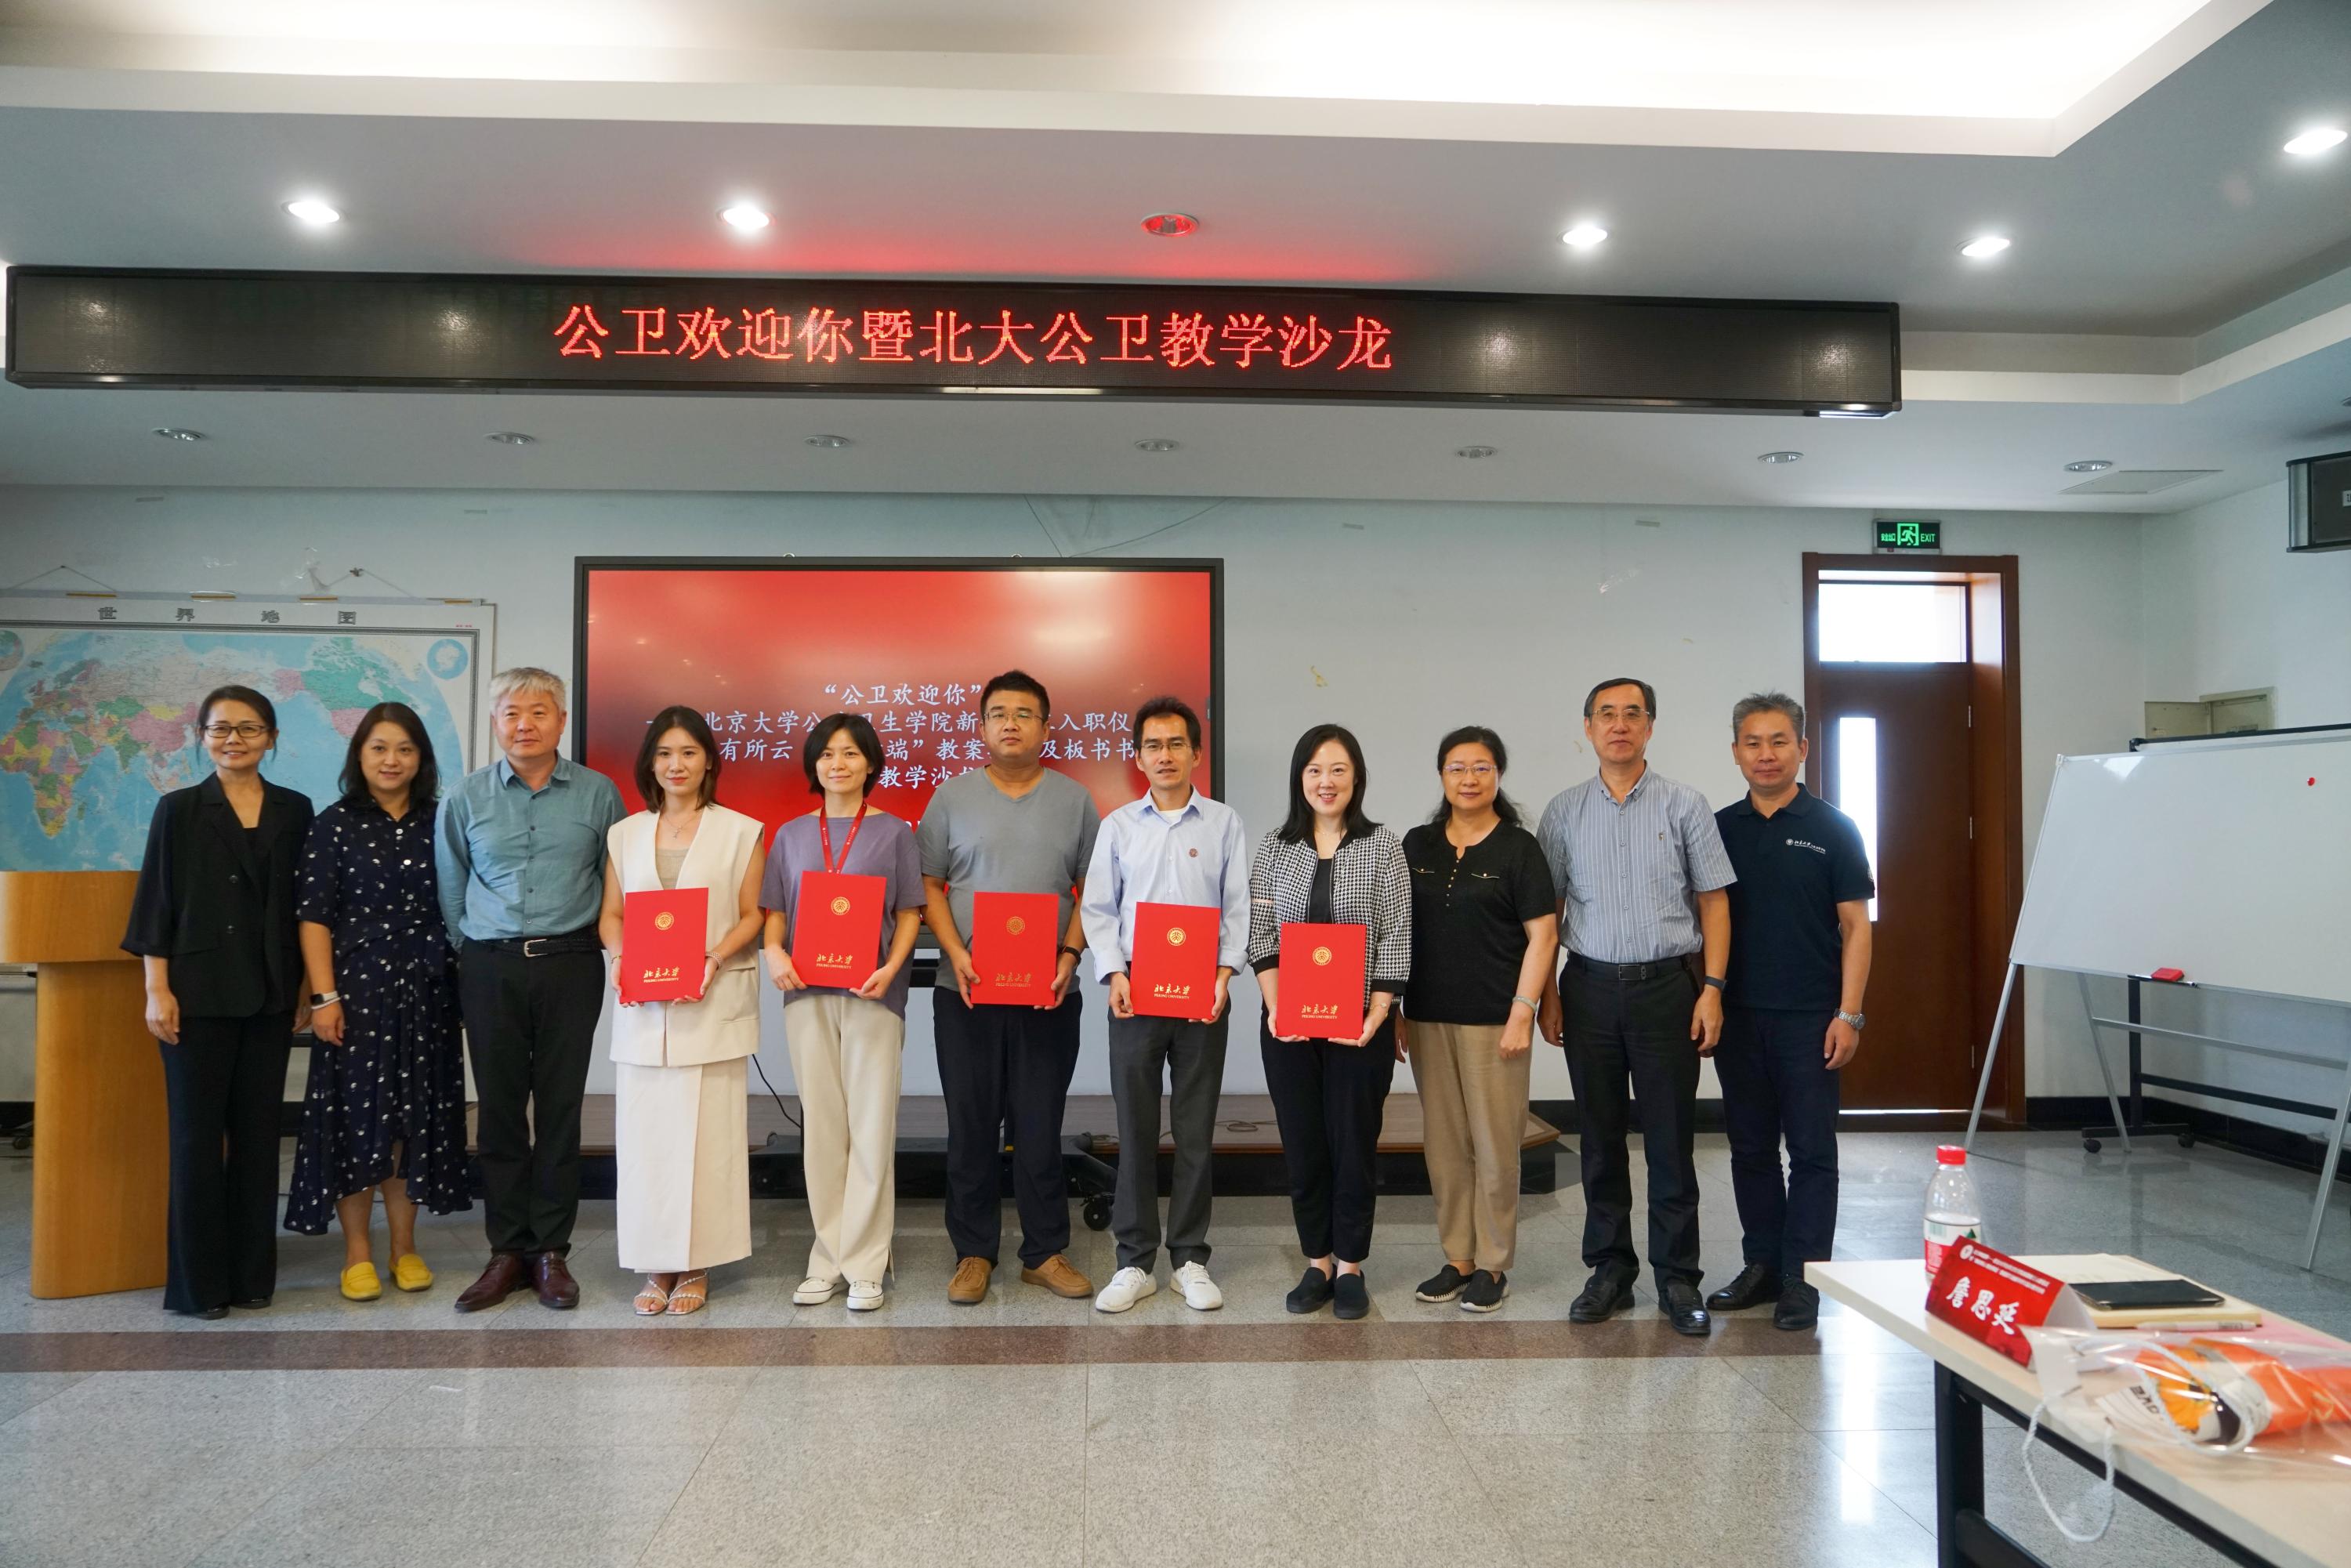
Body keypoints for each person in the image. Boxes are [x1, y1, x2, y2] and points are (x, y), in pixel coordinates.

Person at [1537, 677, 1734, 1338]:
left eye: (1632, 714)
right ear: (1588, 728)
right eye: (1606, 714)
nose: (1619, 725)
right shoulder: (1564, 812)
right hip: (1588, 988)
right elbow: (1548, 911)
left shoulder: (1685, 804)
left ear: (1650, 726)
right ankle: (1610, 1270)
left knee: (1672, 1139)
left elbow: (1714, 902)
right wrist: (1548, 993)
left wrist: (1712, 988)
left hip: (1667, 989)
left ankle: (1678, 1277)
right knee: (1598, 1137)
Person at [436, 666, 625, 1312]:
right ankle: (506, 1250)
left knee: (561, 1107)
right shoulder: (466, 796)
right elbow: (451, 888)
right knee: (498, 1108)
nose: (525, 724)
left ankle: (550, 1251)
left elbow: (615, 878)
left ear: (561, 720)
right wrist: (475, 951)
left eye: (539, 712)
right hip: (489, 964)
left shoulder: (599, 794)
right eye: (511, 713)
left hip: (571, 961)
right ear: (495, 722)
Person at [124, 685, 315, 1319]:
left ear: (272, 737)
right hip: (196, 995)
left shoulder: (295, 808)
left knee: (258, 1142)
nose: (235, 739)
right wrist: (156, 988)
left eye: (250, 728)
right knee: (196, 1142)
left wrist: (304, 987)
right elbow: (156, 901)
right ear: (201, 736)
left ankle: (251, 1277)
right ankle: (197, 1286)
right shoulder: (179, 809)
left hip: (269, 994)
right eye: (221, 728)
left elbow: (304, 906)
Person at [917, 669, 1101, 1305]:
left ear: (1046, 727)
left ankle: (1043, 1252)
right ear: (982, 726)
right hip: (965, 991)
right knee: (970, 1125)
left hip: (1048, 991)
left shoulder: (1075, 800)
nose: (1011, 723)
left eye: (1025, 713)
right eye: (999, 713)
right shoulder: (950, 797)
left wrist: (1071, 953)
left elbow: (1093, 888)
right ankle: (974, 1253)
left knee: (1040, 1123)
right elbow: (929, 884)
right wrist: (955, 952)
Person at [286, 702, 470, 1302]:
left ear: (422, 758)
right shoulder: (333, 824)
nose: (392, 760)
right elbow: (314, 916)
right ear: (359, 755)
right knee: (356, 1122)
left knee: (412, 1123)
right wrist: (324, 997)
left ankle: (405, 1248)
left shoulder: (442, 820)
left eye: (405, 749)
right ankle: (358, 1253)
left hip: (429, 991)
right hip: (356, 994)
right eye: (379, 748)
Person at [1704, 693, 1875, 1331]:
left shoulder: (1834, 827)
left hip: (1811, 1018)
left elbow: (1856, 927)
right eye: (1753, 742)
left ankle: (1804, 1277)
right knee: (1749, 1148)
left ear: (1802, 748)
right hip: (1739, 1017)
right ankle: (1763, 1265)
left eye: (1779, 741)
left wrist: (1849, 1013)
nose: (1766, 754)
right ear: (1736, 752)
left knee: (1811, 1151)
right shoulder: (1718, 829)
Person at [1079, 695, 1251, 1314]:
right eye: (1153, 745)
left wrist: (1225, 974)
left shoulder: (1223, 823)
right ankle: (1134, 1261)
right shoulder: (1119, 826)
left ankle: (1189, 1259)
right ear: (1138, 757)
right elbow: (1099, 908)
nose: (1165, 754)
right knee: (1135, 1130)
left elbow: (1237, 906)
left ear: (1196, 752)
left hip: (1204, 996)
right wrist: (1114, 973)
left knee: (1196, 1129)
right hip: (1135, 997)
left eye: (1177, 743)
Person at [599, 706, 764, 1316]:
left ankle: (696, 1264)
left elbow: (752, 913)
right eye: (665, 753)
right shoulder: (624, 834)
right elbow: (612, 914)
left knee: (708, 1143)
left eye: (689, 752)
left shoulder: (742, 831)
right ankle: (655, 1264)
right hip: (643, 1009)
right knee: (646, 1144)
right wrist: (620, 956)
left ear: (709, 761)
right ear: (650, 764)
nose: (677, 764)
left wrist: (714, 957)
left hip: (710, 1001)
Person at [760, 712, 925, 1313]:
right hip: (806, 992)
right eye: (827, 752)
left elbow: (909, 912)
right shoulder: (790, 835)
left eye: (851, 752)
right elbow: (775, 912)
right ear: (814, 763)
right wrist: (774, 952)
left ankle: (865, 1263)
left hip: (873, 992)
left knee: (872, 1126)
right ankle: (826, 1257)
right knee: (824, 1127)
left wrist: (892, 967)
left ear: (871, 763)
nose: (838, 763)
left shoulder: (895, 833)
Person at [1248, 723, 1411, 1320]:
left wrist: (1377, 1014)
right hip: (1288, 1028)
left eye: (1338, 769)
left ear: (1356, 777)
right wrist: (1276, 1007)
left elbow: (1397, 935)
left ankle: (1351, 1266)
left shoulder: (1383, 846)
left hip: (1360, 1028)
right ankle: (1317, 1260)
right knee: (1304, 1144)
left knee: (1353, 1144)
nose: (1326, 780)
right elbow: (1260, 934)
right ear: (1300, 778)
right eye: (1315, 769)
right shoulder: (1275, 847)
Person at [1397, 726, 1558, 1314]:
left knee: (1495, 1146)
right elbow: (1397, 931)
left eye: (1482, 767)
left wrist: (1523, 1011)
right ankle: (1457, 1258)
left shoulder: (1519, 848)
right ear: (1441, 775)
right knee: (1444, 1146)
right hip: (1427, 1017)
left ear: (1498, 774)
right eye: (1458, 768)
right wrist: (1395, 1007)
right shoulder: (1417, 844)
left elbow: (1544, 936)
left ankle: (1493, 1263)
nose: (1469, 779)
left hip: (1496, 1020)